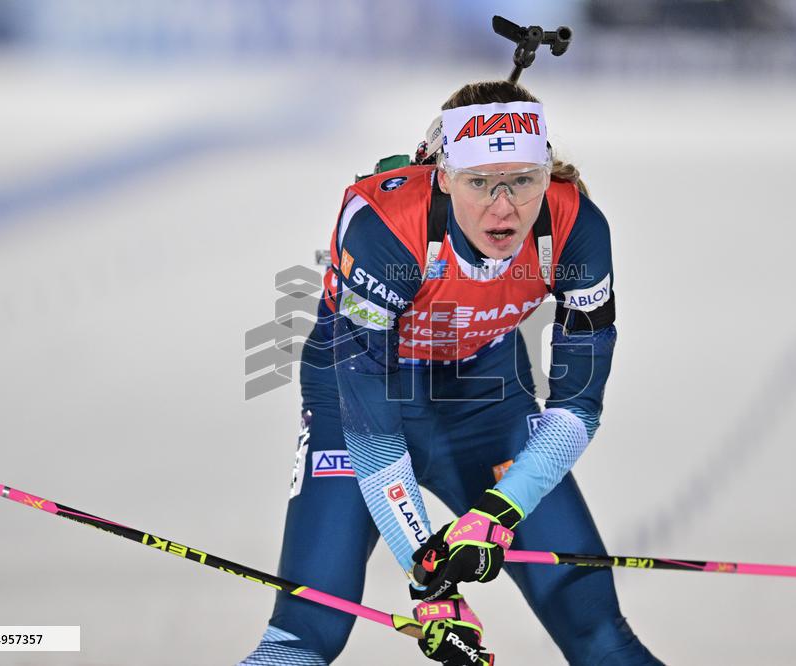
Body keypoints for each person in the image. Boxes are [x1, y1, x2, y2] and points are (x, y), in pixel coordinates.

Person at [239, 80, 662, 665]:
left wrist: (499, 512)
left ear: (548, 175)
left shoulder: (576, 226)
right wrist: (431, 581)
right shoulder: (386, 225)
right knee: (307, 633)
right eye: (480, 182)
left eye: (522, 181)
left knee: (594, 625)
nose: (503, 206)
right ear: (443, 176)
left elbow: (576, 410)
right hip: (356, 405)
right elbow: (371, 429)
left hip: (484, 402)